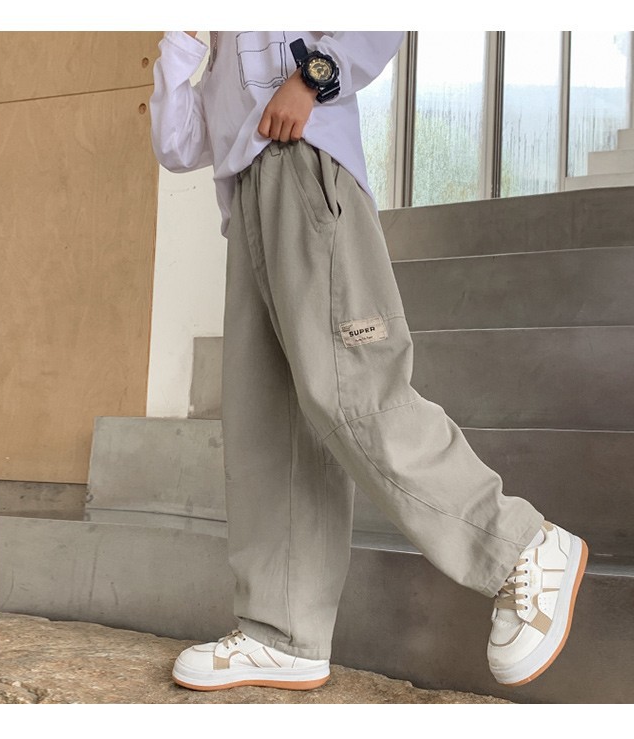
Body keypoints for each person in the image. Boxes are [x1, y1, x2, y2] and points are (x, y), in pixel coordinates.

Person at [149, 31, 588, 693]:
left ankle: (520, 545)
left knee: (354, 391)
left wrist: (311, 77)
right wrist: (182, 39)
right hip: (247, 203)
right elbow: (177, 144)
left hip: (304, 163)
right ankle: (282, 633)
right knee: (269, 425)